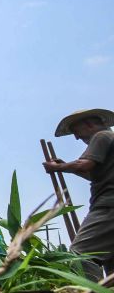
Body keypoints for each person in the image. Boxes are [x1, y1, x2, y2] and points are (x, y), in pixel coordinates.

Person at [44, 108, 114, 280]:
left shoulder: (101, 136)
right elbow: (93, 174)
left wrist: (58, 168)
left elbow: (84, 165)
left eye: (76, 131)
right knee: (110, 264)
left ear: (89, 124)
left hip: (107, 206)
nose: (76, 137)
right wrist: (66, 166)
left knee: (80, 255)